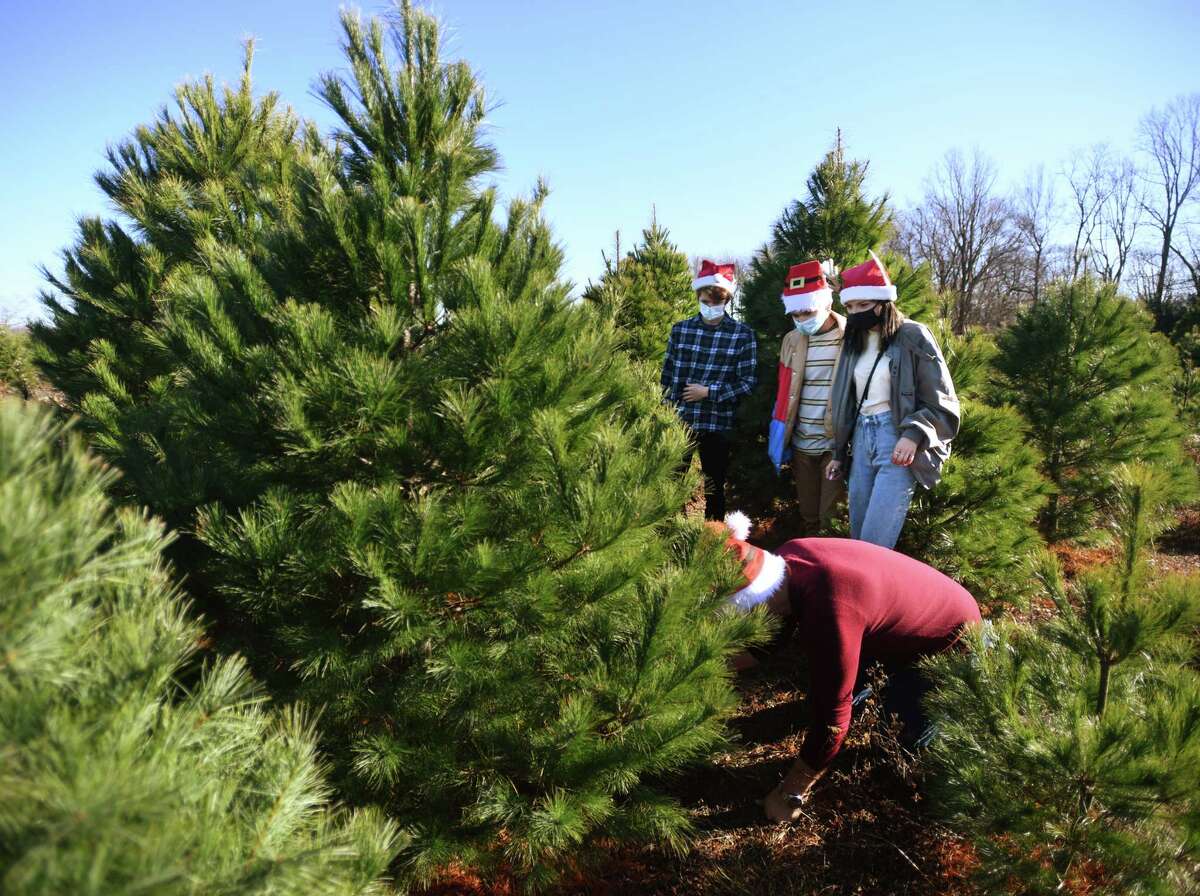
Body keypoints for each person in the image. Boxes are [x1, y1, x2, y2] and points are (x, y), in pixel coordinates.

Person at [707, 513, 982, 823]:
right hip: (895, 618)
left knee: (898, 748)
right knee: (840, 683)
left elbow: (832, 720)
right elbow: (771, 634)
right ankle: (865, 694)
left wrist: (791, 792)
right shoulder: (786, 560)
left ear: (753, 604)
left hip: (947, 641)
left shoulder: (830, 612)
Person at [825, 252, 959, 549]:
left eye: (863, 304)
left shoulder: (913, 335)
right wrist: (838, 452)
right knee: (858, 532)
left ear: (883, 303)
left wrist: (913, 435)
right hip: (861, 438)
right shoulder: (853, 340)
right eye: (849, 306)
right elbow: (848, 400)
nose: (855, 311)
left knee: (876, 539)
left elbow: (943, 399)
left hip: (895, 438)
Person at [661, 260, 757, 520]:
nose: (711, 307)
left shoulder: (741, 335)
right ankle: (670, 535)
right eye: (706, 301)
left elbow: (747, 382)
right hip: (680, 419)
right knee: (672, 483)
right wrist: (664, 408)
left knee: (714, 486)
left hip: (717, 422)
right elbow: (667, 374)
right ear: (698, 297)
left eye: (718, 302)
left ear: (726, 300)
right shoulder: (681, 330)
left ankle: (712, 539)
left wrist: (709, 392)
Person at [767, 259, 846, 535]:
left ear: (827, 304)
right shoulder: (791, 340)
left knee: (830, 518)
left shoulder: (850, 336)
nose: (802, 320)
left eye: (808, 312)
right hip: (802, 443)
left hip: (834, 446)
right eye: (796, 314)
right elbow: (784, 391)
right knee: (809, 515)